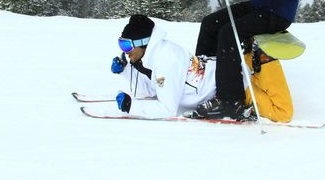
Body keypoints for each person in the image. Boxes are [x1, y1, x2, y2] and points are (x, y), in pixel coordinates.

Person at [112, 14, 293, 122]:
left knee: (282, 113)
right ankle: (254, 58)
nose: (125, 51)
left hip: (237, 87)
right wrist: (126, 72)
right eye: (122, 45)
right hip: (224, 70)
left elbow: (167, 109)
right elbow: (154, 90)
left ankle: (265, 59)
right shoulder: (159, 52)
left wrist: (131, 108)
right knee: (251, 74)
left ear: (144, 43)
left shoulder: (166, 61)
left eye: (126, 46)